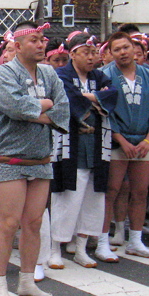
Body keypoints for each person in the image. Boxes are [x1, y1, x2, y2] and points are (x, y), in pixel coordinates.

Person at [0, 22, 69, 296]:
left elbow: (63, 108)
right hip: (9, 156)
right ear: (18, 46)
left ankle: (25, 282)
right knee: (8, 223)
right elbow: (15, 107)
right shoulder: (4, 72)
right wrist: (45, 106)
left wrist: (42, 108)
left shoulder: (48, 73)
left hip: (41, 157)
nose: (40, 44)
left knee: (34, 223)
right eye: (33, 40)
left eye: (42, 39)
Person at [100, 31, 149, 260]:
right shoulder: (104, 75)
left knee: (141, 191)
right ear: (110, 53)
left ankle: (136, 240)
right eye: (117, 49)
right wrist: (120, 139)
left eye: (126, 47)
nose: (123, 52)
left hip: (144, 141)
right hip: (115, 141)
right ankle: (103, 240)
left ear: (134, 49)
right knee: (111, 191)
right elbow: (103, 111)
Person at [50, 34, 117, 268]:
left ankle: (81, 247)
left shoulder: (100, 76)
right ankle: (55, 247)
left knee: (93, 197)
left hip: (96, 143)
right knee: (67, 197)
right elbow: (67, 99)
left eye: (94, 52)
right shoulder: (61, 75)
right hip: (71, 143)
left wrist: (87, 98)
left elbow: (113, 94)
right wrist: (97, 99)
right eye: (86, 52)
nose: (92, 57)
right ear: (72, 54)